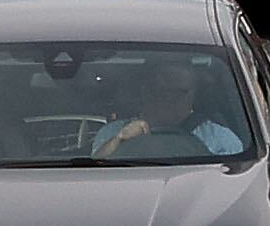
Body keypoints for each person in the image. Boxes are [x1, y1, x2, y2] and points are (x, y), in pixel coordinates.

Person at [91, 60, 250, 163]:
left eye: (179, 92)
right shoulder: (112, 133)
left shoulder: (220, 139)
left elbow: (234, 182)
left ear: (193, 94)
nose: (169, 99)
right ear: (145, 92)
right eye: (161, 91)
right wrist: (119, 140)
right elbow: (94, 174)